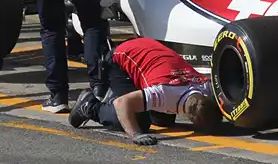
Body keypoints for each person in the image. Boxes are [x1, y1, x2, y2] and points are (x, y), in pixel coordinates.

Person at [68, 37, 223, 145]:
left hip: (149, 49)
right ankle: (90, 105)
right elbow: (122, 103)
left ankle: (133, 96)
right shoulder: (164, 93)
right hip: (121, 58)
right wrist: (135, 134)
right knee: (138, 122)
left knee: (164, 121)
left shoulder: (206, 86)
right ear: (191, 119)